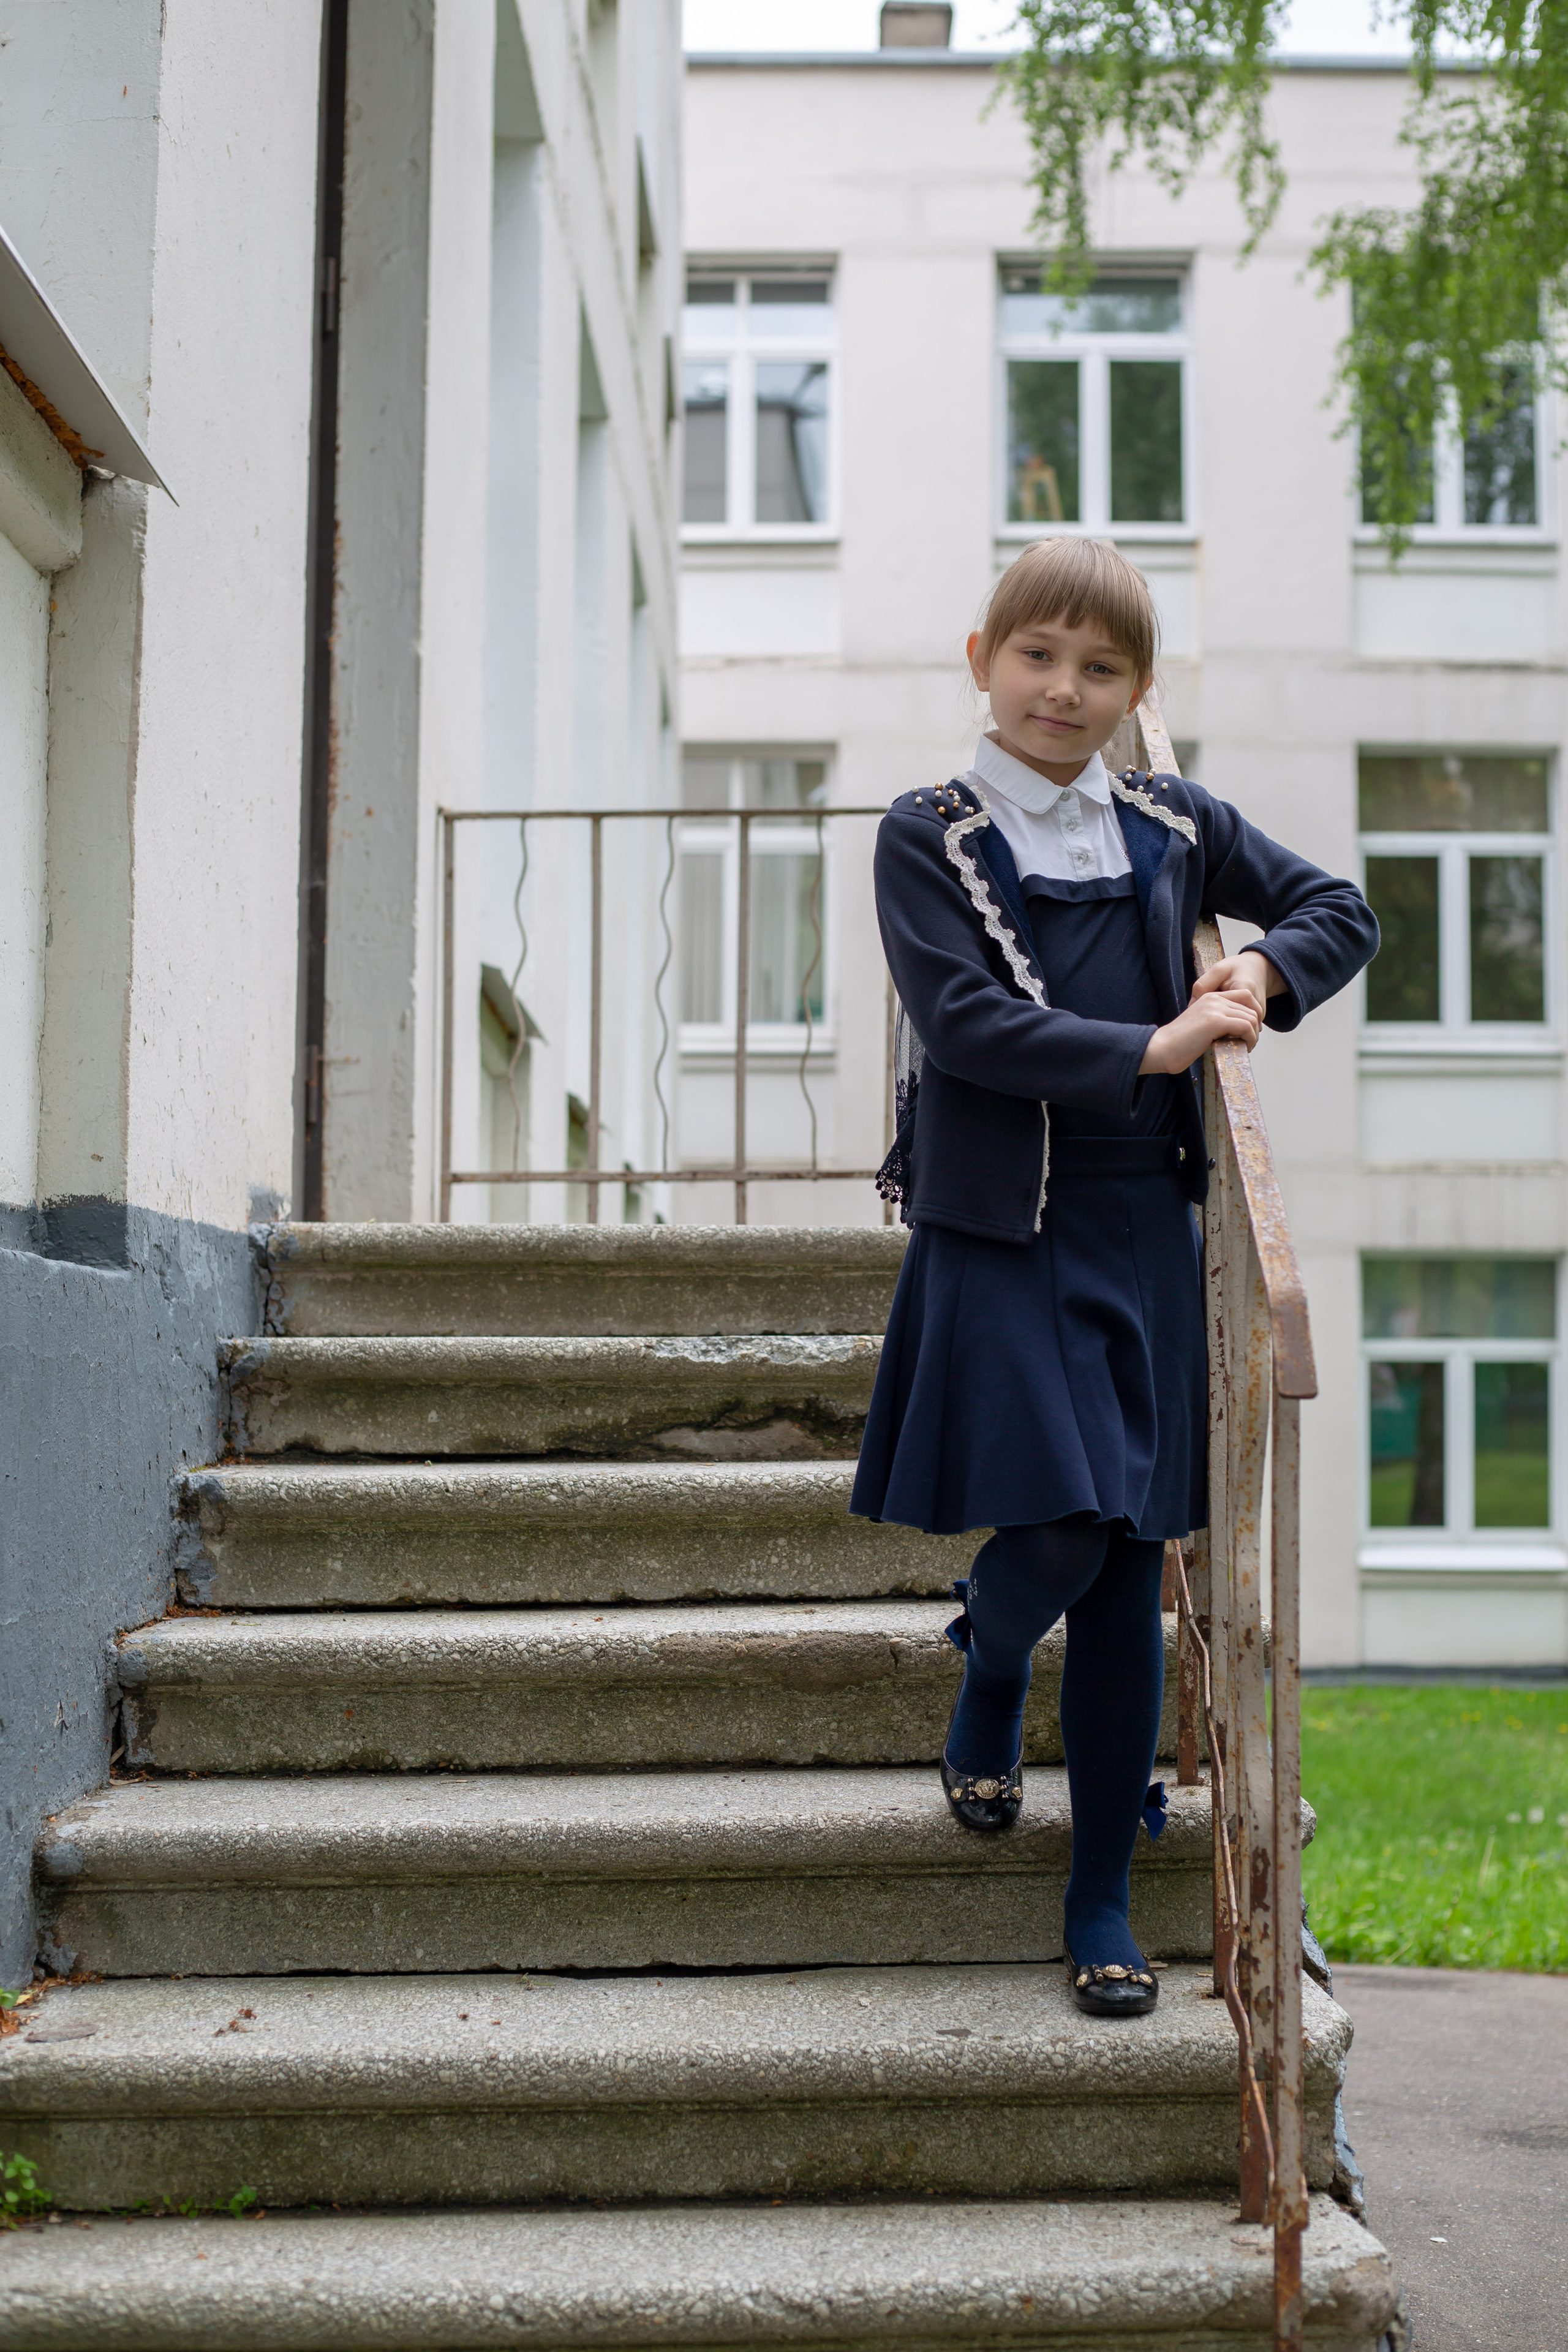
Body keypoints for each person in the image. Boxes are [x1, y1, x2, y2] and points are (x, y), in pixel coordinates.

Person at [851, 536, 1377, 2018]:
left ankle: (1097, 1898)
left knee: (1131, 1563)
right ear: (982, 661)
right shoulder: (926, 833)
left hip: (1144, 1225)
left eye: (1099, 669)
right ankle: (987, 1657)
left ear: (1136, 690)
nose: (1061, 690)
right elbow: (963, 1025)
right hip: (1002, 1225)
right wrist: (1155, 1043)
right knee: (1066, 1530)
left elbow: (1335, 908)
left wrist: (1257, 973)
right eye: (1036, 656)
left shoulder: (1170, 820)